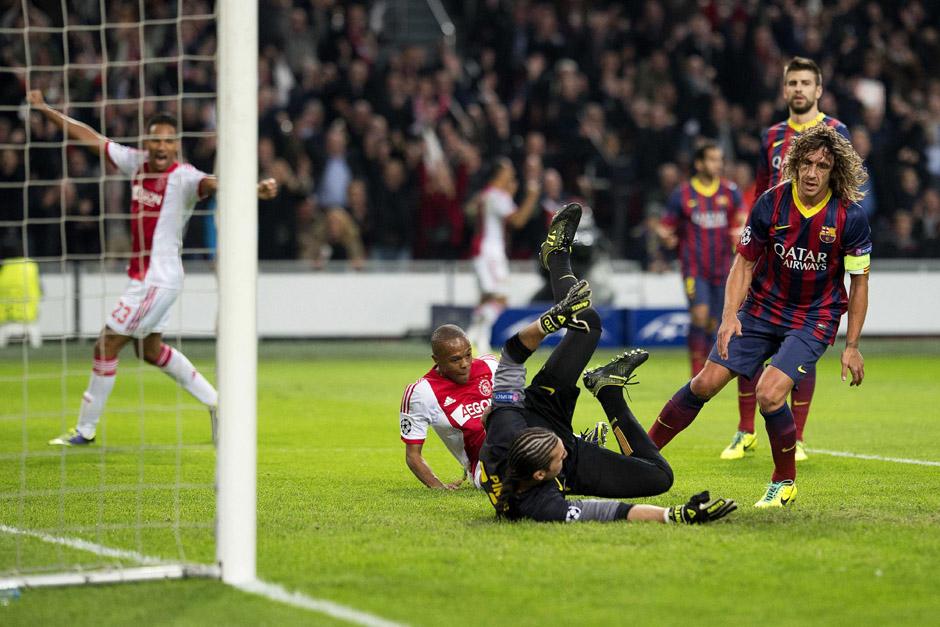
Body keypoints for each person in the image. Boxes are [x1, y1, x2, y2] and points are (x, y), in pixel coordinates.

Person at [27, 90, 279, 446]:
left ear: (177, 145)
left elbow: (215, 184)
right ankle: (218, 404)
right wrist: (44, 109)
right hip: (148, 278)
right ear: (147, 142)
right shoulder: (135, 163)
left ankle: (84, 430)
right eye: (155, 139)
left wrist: (254, 190)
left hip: (156, 281)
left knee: (105, 345)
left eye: (168, 141)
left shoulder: (185, 178)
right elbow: (90, 137)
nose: (161, 147)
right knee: (149, 351)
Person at [648, 124, 871, 507]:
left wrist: (852, 345)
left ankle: (784, 481)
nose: (813, 172)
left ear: (834, 171)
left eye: (823, 165)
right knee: (704, 383)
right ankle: (644, 453)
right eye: (807, 162)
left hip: (813, 316)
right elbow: (745, 262)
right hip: (762, 308)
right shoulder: (771, 202)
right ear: (795, 163)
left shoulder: (849, 217)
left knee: (769, 393)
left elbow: (860, 283)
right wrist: (730, 316)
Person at [478, 203, 736, 524]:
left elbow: (513, 354)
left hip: (541, 408)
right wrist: (673, 515)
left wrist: (550, 321)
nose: (567, 449)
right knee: (658, 477)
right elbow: (607, 511)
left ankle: (556, 255)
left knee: (586, 320)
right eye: (561, 454)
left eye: (559, 447)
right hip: (557, 462)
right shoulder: (541, 505)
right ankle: (608, 389)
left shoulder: (506, 428)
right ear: (544, 475)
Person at [725, 57, 852, 462]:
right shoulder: (772, 136)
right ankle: (745, 431)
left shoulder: (836, 133)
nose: (798, 89)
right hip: (772, 247)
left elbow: (847, 193)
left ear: (818, 90)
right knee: (749, 335)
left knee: (799, 338)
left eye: (805, 83)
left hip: (816, 252)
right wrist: (748, 237)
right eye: (792, 83)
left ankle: (795, 436)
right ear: (784, 90)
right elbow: (762, 189)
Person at [658, 141, 743, 376]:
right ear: (699, 163)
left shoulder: (730, 191)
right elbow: (665, 226)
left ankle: (708, 369)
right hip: (694, 268)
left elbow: (742, 219)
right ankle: (696, 372)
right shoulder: (682, 194)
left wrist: (740, 231)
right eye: (712, 159)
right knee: (700, 314)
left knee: (713, 323)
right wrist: (666, 238)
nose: (718, 164)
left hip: (724, 269)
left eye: (720, 159)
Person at [398, 324, 497, 490]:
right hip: (486, 466)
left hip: (522, 443)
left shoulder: (491, 366)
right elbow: (413, 455)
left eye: (468, 355)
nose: (465, 364)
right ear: (436, 360)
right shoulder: (422, 393)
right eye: (455, 359)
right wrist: (439, 487)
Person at [465, 158, 539, 353]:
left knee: (487, 298)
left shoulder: (488, 194)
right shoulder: (497, 196)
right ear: (500, 174)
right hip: (490, 252)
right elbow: (518, 221)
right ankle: (473, 339)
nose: (513, 175)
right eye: (509, 171)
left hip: (484, 250)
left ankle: (478, 342)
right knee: (501, 298)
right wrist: (532, 196)